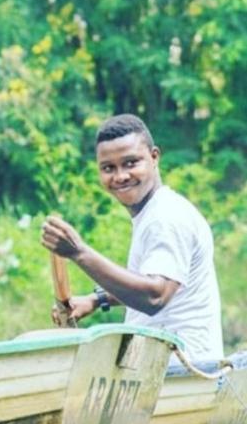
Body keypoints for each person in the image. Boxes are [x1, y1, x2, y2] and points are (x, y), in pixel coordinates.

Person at [40, 113, 223, 362]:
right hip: (160, 368)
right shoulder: (153, 213)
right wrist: (97, 299)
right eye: (108, 168)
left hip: (182, 370)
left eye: (130, 163)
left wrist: (79, 252)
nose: (120, 176)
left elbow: (155, 295)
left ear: (154, 157)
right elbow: (153, 281)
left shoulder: (166, 217)